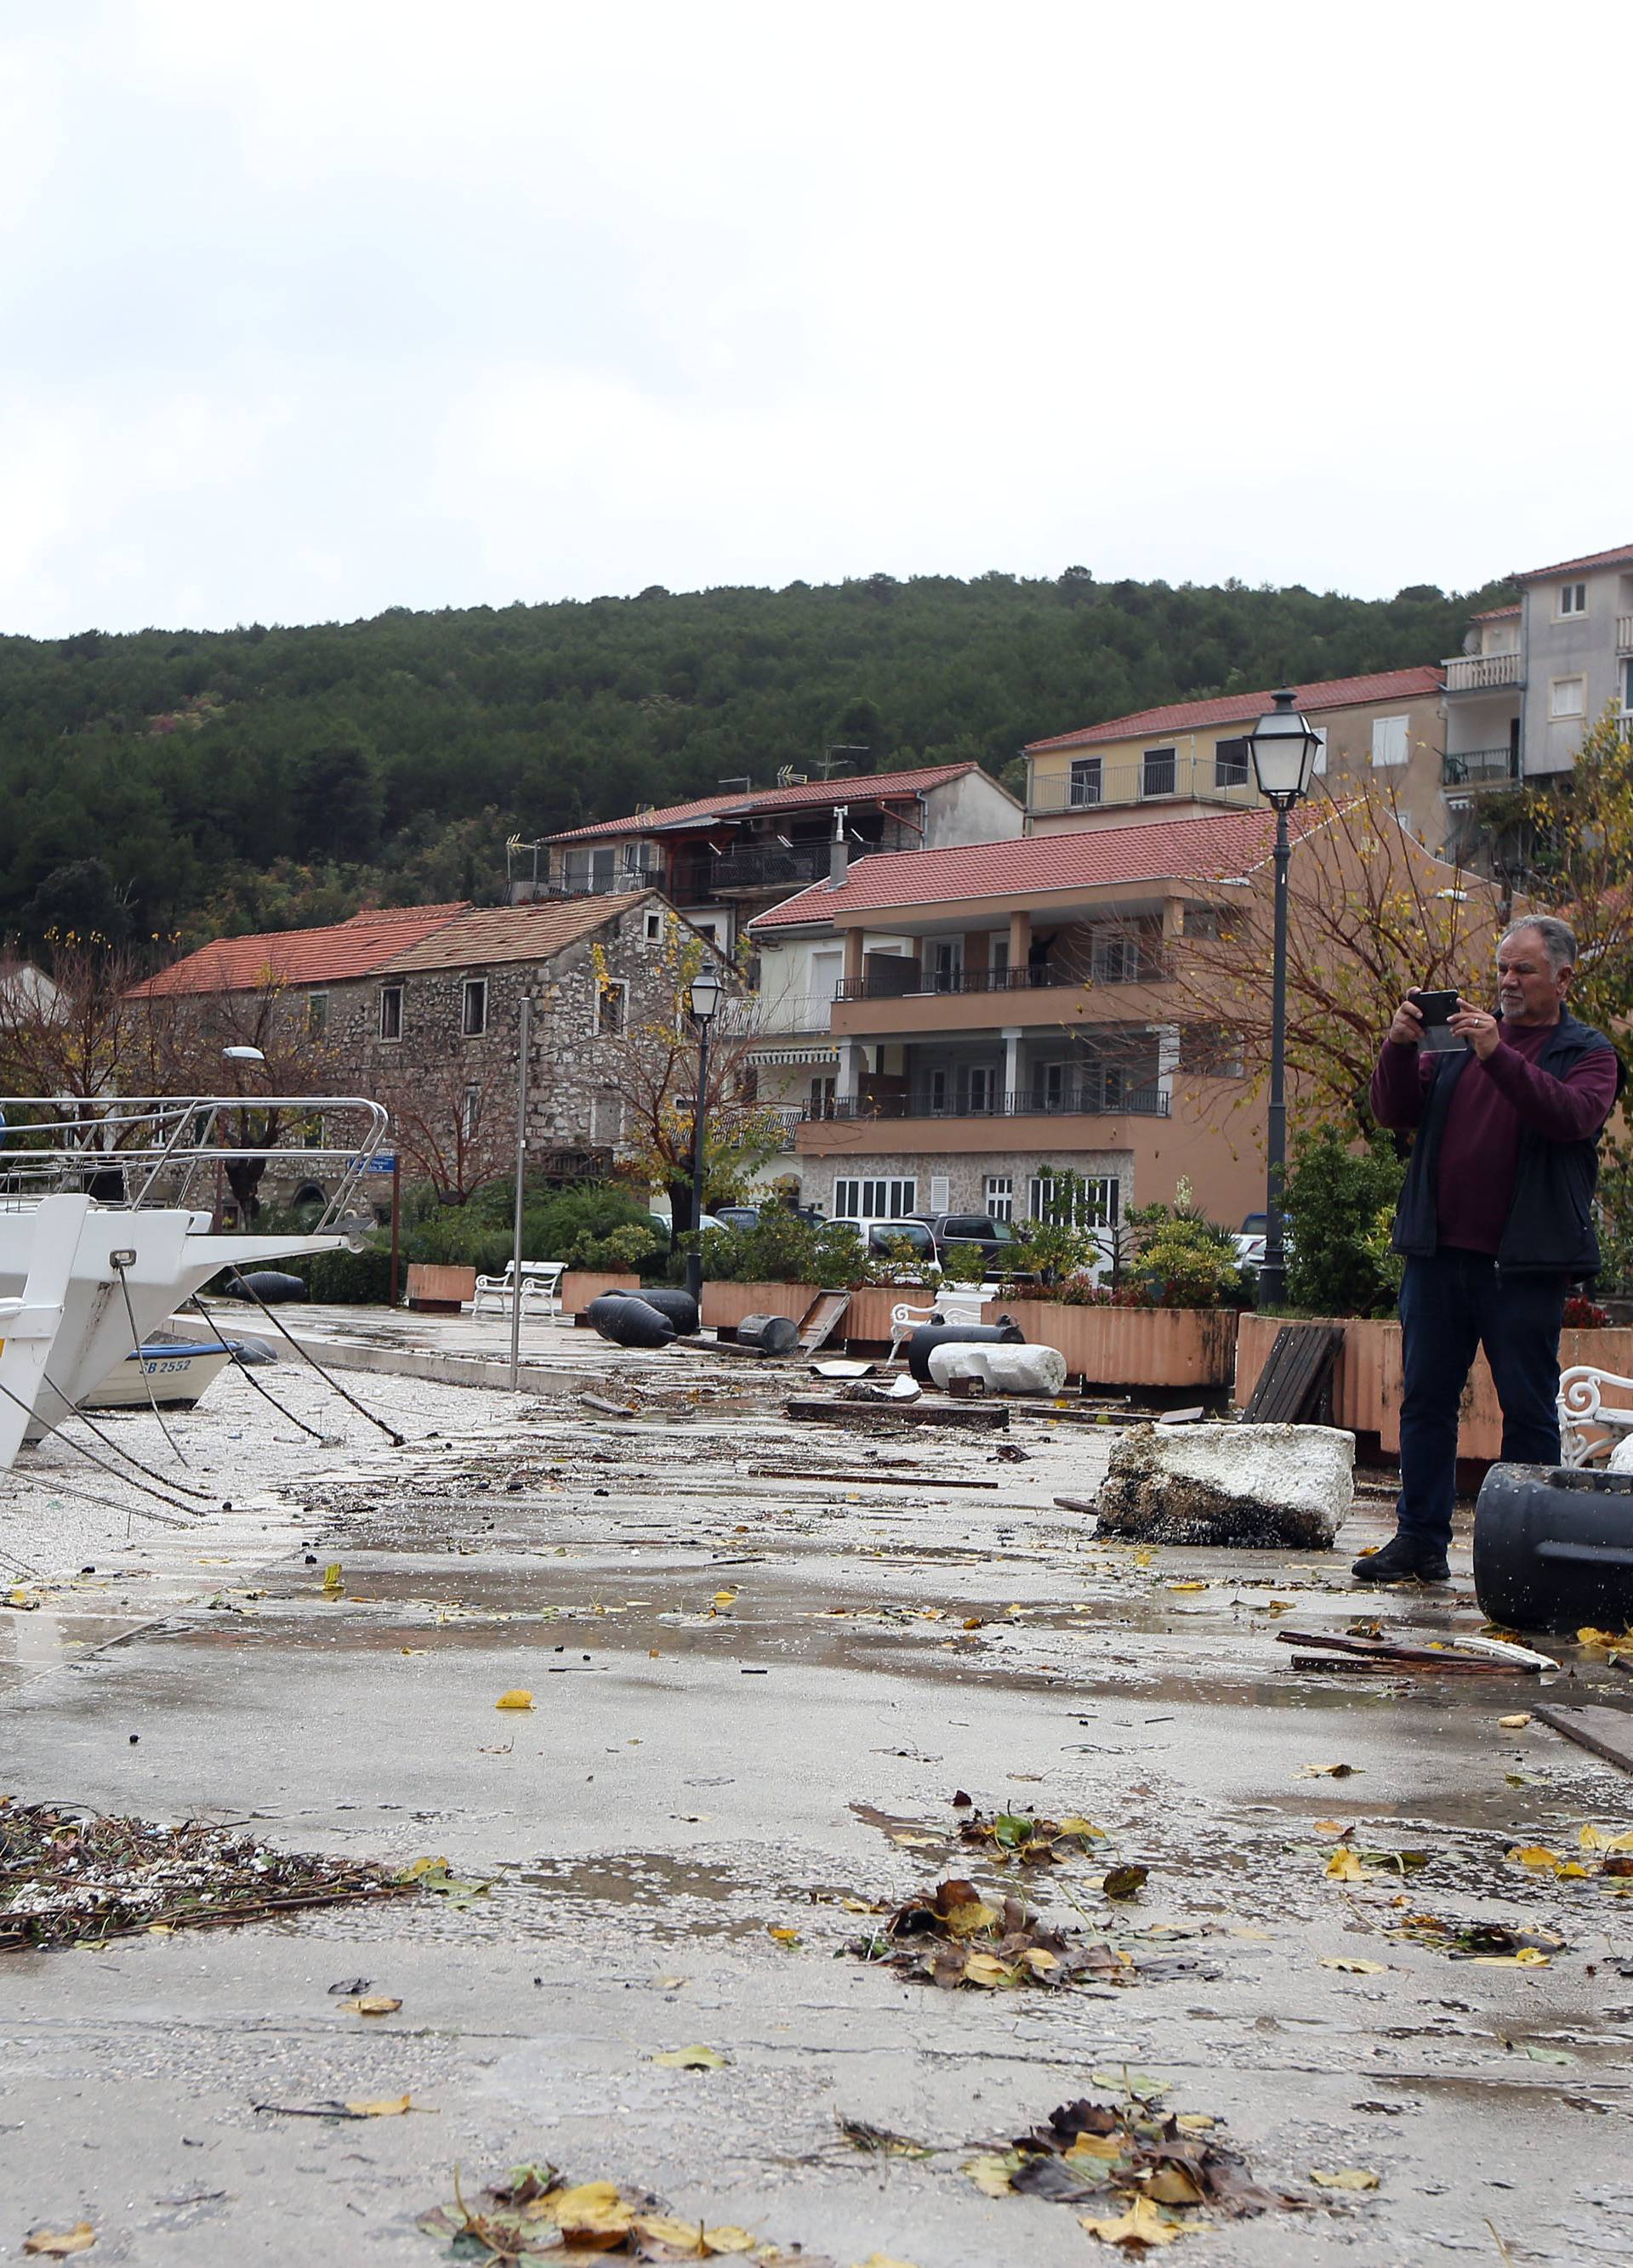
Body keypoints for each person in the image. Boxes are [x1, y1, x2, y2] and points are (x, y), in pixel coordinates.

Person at [1357, 917, 1620, 1583]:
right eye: (1502, 967)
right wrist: (1396, 1045)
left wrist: (1497, 1054)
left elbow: (1569, 1115)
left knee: (1527, 1411)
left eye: (1523, 970)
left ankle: (1527, 1554)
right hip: (1437, 1255)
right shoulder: (1453, 1043)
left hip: (1522, 1266)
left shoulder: (1587, 1053)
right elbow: (1392, 1111)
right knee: (1424, 1402)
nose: (1506, 980)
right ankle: (1419, 1541)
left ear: (1562, 978)